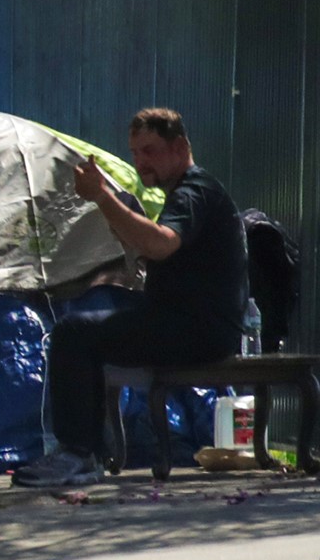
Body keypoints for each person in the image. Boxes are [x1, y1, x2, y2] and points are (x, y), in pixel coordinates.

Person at [13, 108, 247, 488]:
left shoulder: (195, 190)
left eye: (150, 151)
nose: (140, 162)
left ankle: (77, 454)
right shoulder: (183, 192)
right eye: (135, 153)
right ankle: (84, 451)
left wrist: (102, 198)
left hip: (199, 330)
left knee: (75, 332)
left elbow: (161, 244)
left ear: (180, 146)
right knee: (88, 327)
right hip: (181, 320)